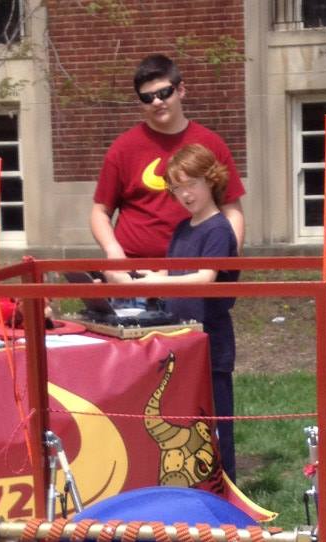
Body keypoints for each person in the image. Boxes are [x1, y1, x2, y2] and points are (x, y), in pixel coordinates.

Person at [123, 143, 239, 481]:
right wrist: (148, 280)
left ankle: (226, 484)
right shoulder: (183, 228)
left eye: (191, 184)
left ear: (211, 180)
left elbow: (205, 277)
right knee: (186, 418)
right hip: (182, 338)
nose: (185, 194)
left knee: (215, 420)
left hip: (210, 338)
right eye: (176, 187)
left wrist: (160, 280)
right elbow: (175, 272)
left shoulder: (218, 229)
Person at [91, 53, 245, 282]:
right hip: (135, 274)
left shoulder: (211, 143)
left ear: (180, 90)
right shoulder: (123, 148)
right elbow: (100, 211)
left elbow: (231, 209)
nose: (156, 102)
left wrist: (225, 263)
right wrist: (114, 252)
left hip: (192, 273)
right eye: (147, 97)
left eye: (164, 93)